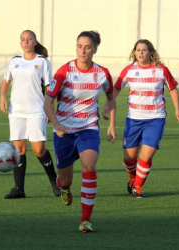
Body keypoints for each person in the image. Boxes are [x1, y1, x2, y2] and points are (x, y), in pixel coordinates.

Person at [44, 31, 117, 233]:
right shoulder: (64, 72)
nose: (82, 50)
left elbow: (111, 98)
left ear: (94, 48)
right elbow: (48, 102)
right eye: (79, 46)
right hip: (64, 131)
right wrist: (57, 124)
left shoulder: (102, 73)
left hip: (89, 128)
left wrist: (112, 124)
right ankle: (64, 188)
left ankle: (85, 220)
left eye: (87, 46)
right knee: (66, 180)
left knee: (89, 167)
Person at [105, 39, 179, 199]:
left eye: (144, 50)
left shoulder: (161, 70)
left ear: (150, 52)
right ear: (134, 53)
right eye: (138, 50)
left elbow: (173, 89)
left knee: (146, 156)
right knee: (129, 158)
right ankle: (133, 177)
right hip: (133, 119)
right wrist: (107, 105)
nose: (141, 52)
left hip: (156, 118)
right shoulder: (129, 70)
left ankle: (138, 186)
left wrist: (177, 109)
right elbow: (117, 88)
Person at [0, 30, 60, 199]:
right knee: (19, 149)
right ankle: (19, 188)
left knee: (39, 149)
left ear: (35, 42)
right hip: (16, 111)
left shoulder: (43, 62)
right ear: (21, 42)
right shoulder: (14, 61)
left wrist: (50, 109)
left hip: (37, 110)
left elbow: (50, 87)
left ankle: (55, 181)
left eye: (29, 39)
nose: (26, 42)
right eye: (23, 39)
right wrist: (2, 97)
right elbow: (6, 82)